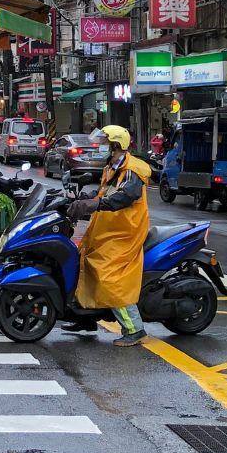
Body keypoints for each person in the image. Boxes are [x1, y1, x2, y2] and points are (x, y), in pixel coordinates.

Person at [64, 125, 154, 347]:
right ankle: (86, 318)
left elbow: (124, 197)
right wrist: (87, 198)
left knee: (110, 277)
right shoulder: (112, 167)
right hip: (109, 230)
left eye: (105, 144)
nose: (100, 147)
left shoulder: (132, 170)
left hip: (125, 233)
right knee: (84, 261)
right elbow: (104, 193)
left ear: (116, 146)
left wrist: (95, 204)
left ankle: (135, 329)